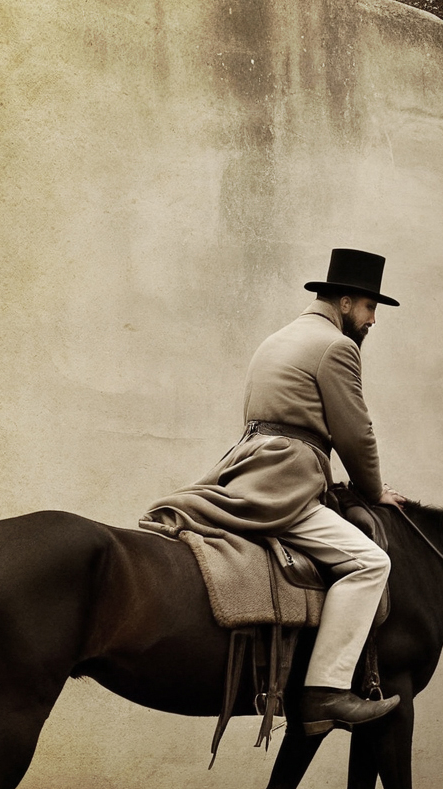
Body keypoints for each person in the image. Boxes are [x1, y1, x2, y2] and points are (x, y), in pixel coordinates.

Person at [142, 249, 406, 736]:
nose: (373, 320)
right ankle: (326, 692)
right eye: (371, 308)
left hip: (247, 468)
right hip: (287, 481)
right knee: (371, 563)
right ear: (346, 302)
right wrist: (374, 492)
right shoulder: (336, 346)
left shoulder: (278, 338)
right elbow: (355, 434)